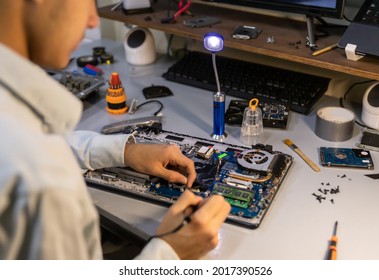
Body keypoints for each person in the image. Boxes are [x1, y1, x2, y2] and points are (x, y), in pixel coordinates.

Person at [0, 0, 230, 260]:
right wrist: (172, 253)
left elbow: (43, 144)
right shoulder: (39, 179)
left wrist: (126, 151)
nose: (93, 21)